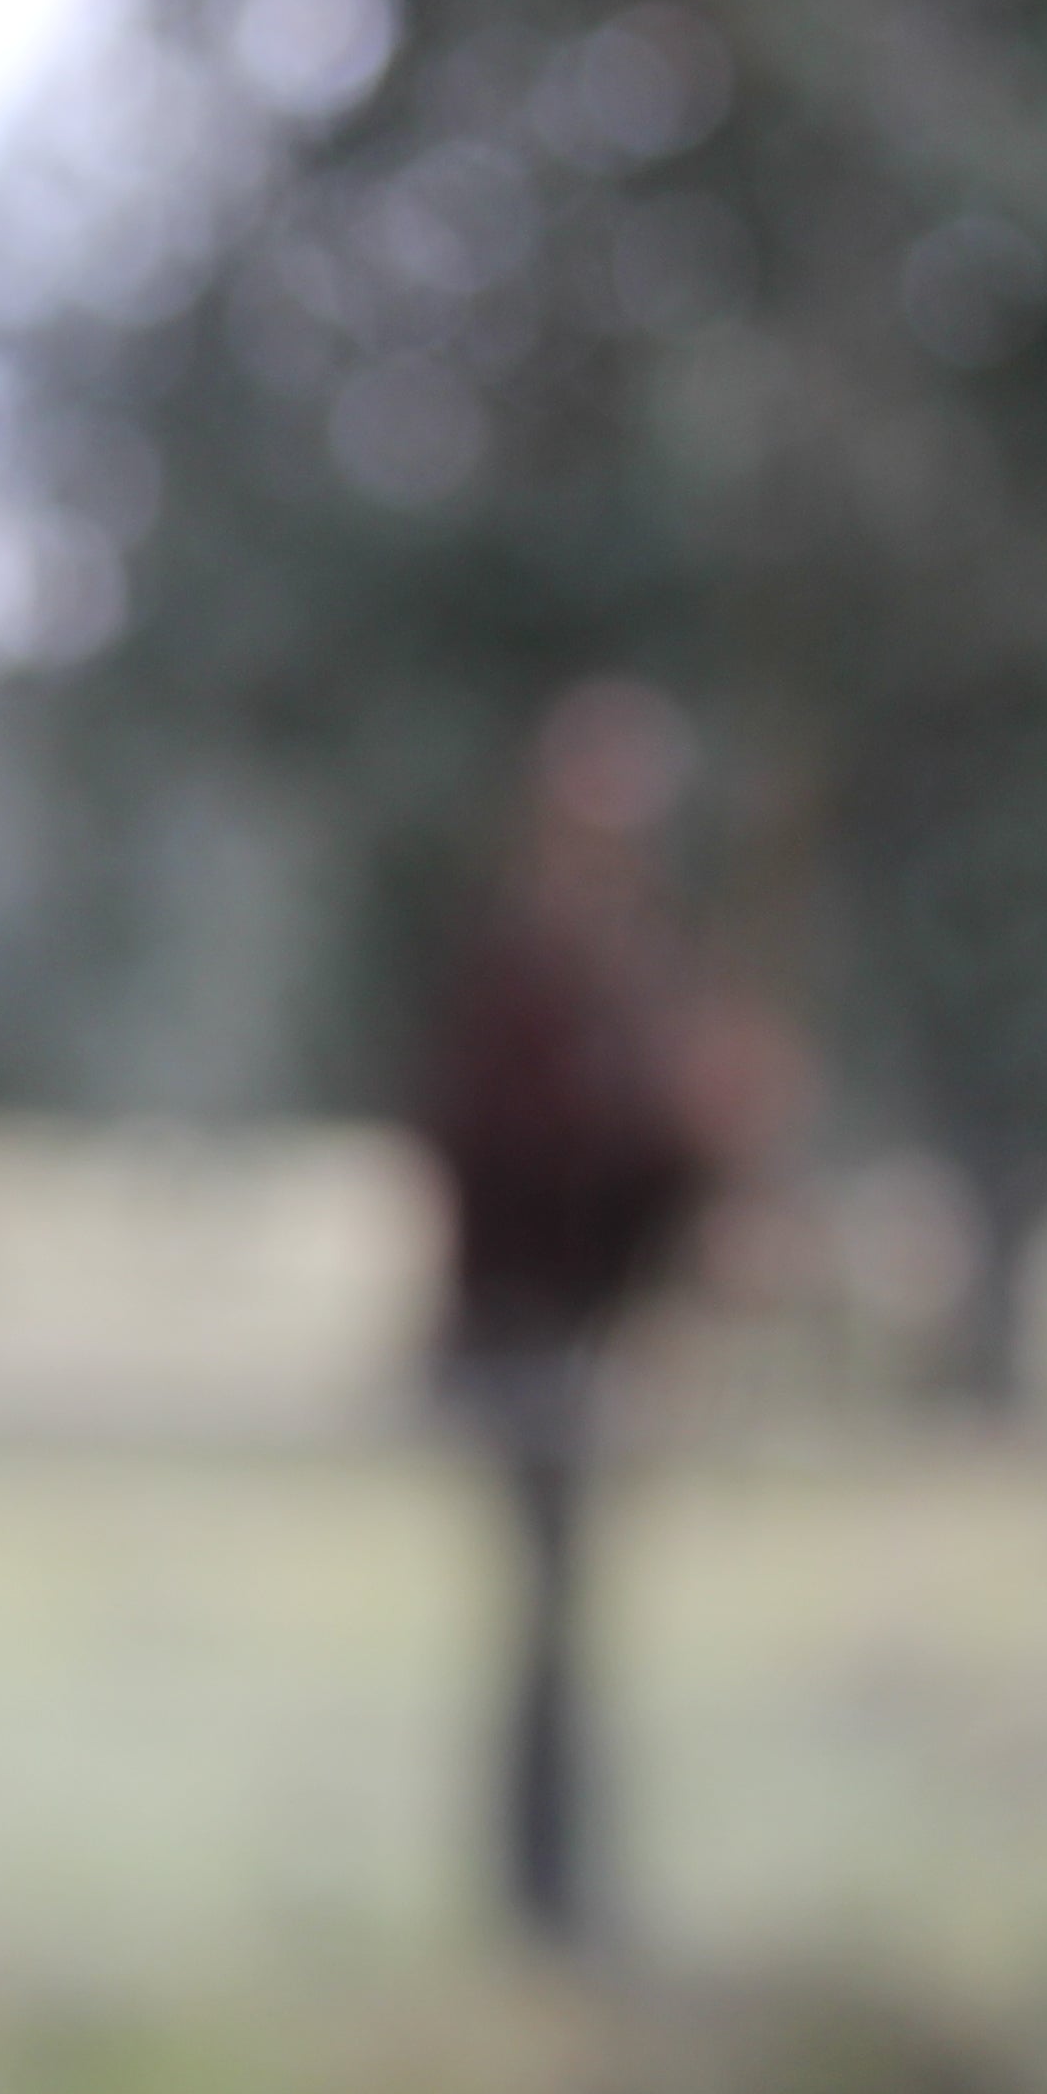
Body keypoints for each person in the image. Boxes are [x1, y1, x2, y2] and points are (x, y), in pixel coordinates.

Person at [411, 681, 760, 1954]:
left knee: (568, 1618)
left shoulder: (635, 966)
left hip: (589, 1335)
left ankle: (560, 1881)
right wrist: (662, 1124)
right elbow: (503, 1154)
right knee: (549, 1619)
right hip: (523, 1333)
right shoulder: (531, 968)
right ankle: (547, 1892)